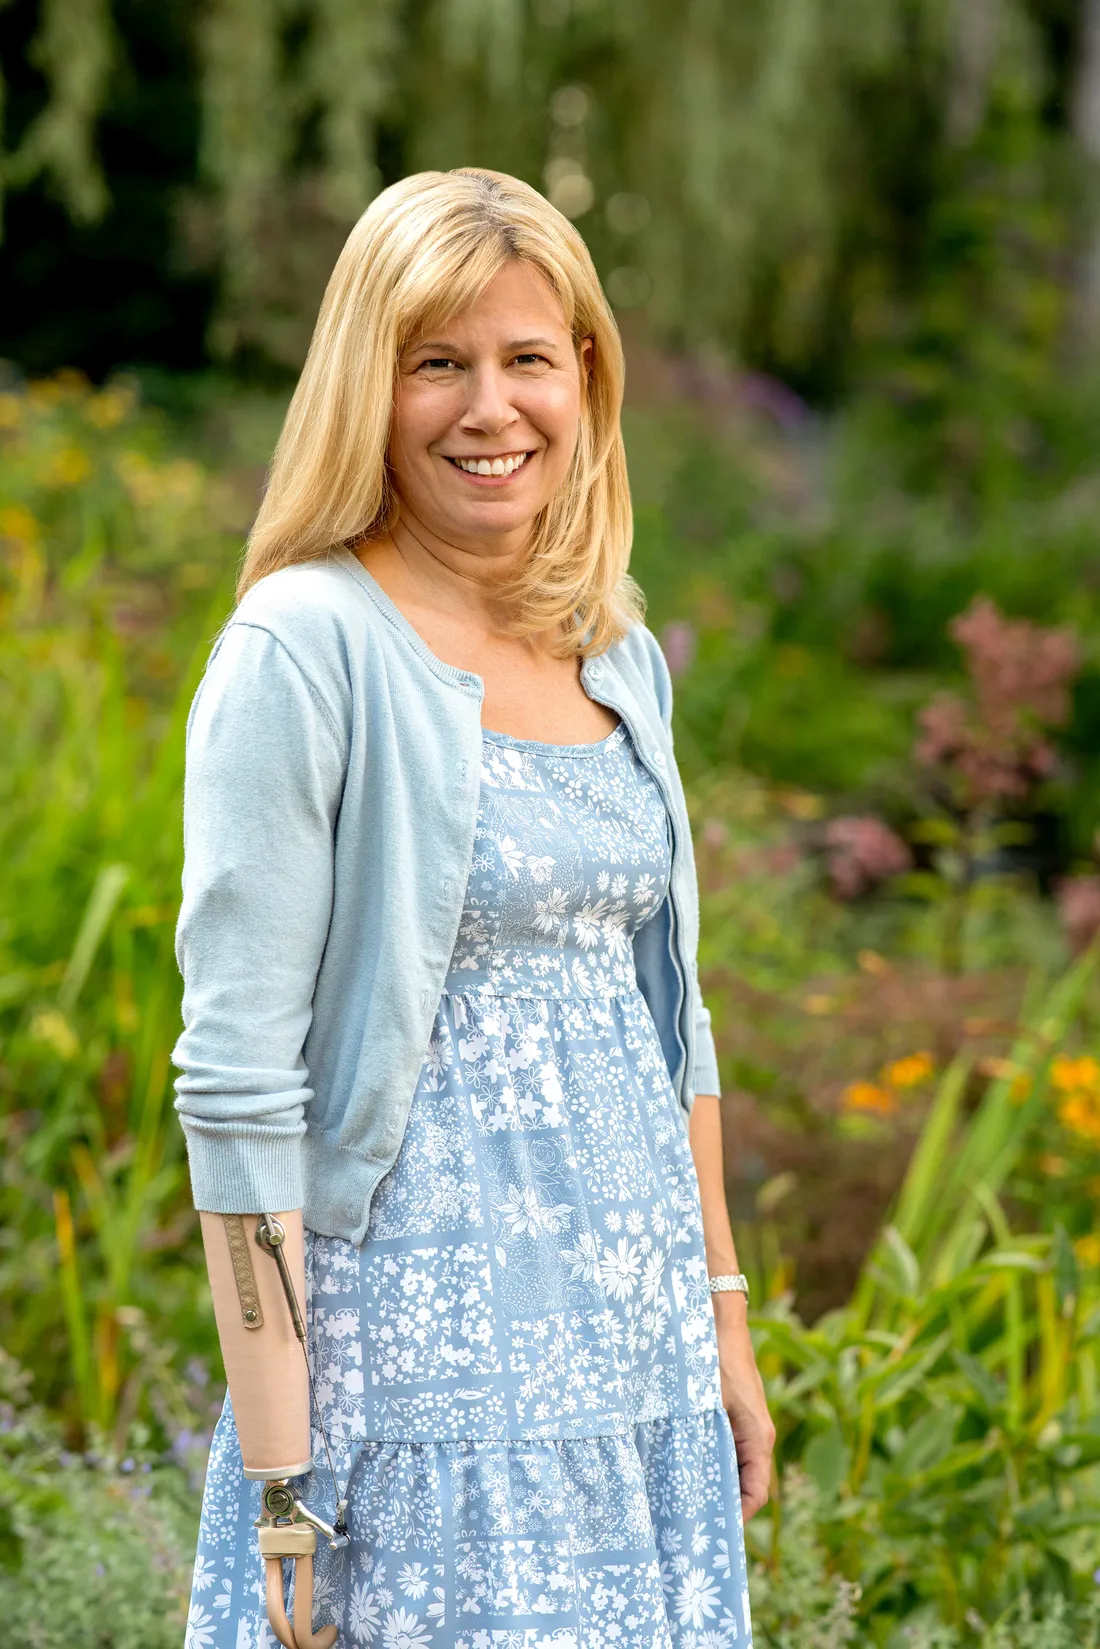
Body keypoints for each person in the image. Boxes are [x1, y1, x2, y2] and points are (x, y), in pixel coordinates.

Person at [175, 166, 774, 1649]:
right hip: (428, 1388)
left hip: (634, 1363)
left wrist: (724, 1324)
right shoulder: (305, 646)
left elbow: (668, 1016)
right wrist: (277, 1480)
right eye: (436, 363)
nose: (489, 409)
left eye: (528, 358)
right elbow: (236, 1080)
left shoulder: (615, 648)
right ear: (367, 390)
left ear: (588, 376)